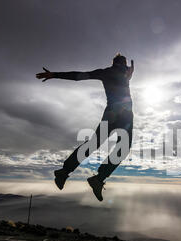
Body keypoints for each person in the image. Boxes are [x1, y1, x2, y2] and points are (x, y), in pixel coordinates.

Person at [36, 54, 134, 201]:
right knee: (119, 147)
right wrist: (55, 74)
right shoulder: (111, 72)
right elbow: (79, 76)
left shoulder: (118, 73)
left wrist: (54, 74)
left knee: (96, 144)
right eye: (123, 64)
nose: (125, 67)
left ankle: (67, 172)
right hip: (120, 115)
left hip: (116, 114)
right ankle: (96, 178)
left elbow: (80, 76)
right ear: (120, 64)